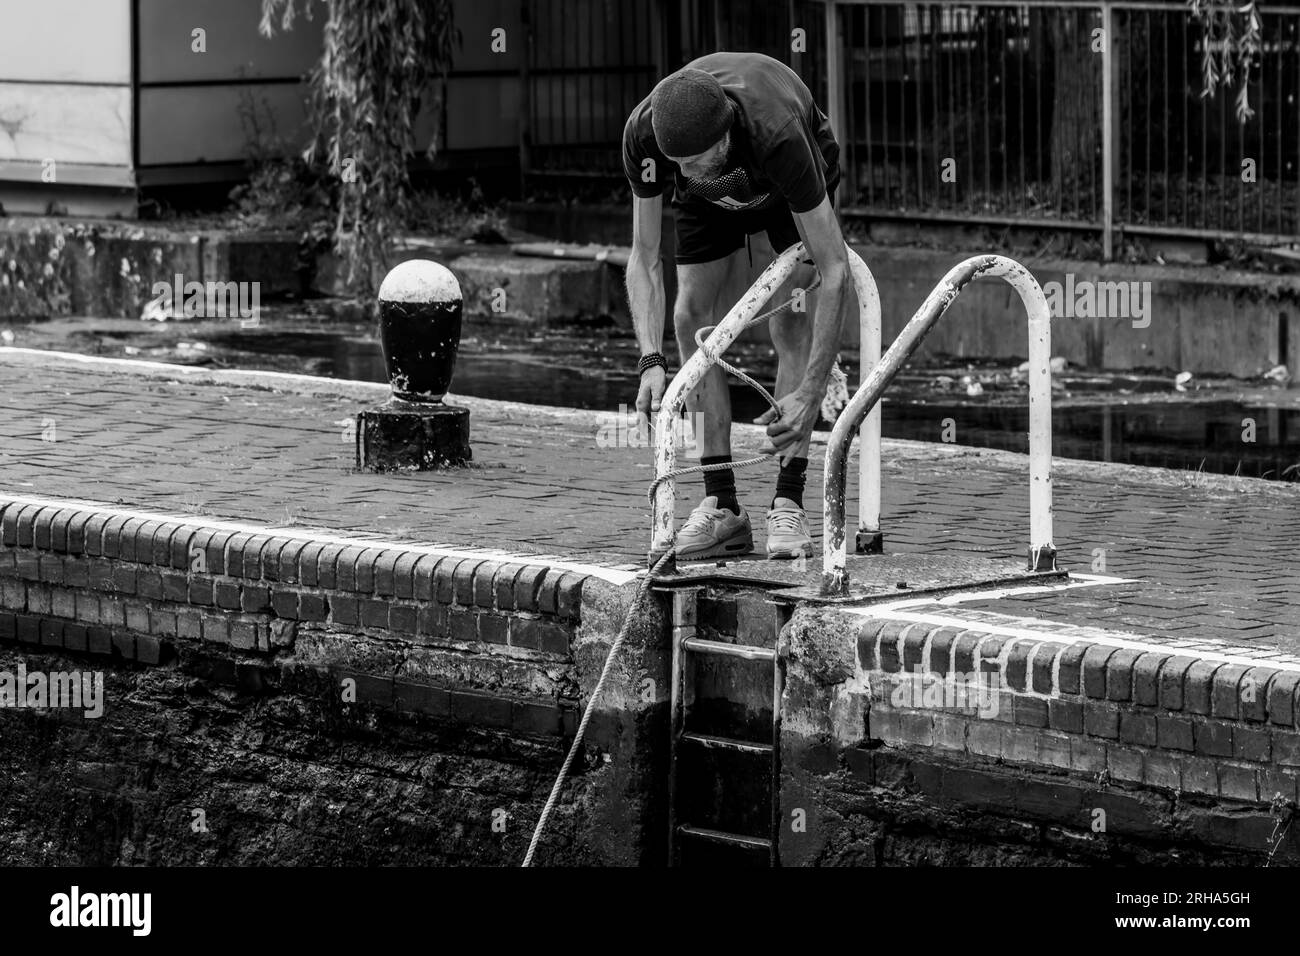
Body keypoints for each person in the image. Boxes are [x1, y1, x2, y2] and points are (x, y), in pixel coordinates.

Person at [622, 51, 848, 560]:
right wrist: (650, 362)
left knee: (790, 325)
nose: (679, 171)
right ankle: (723, 506)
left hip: (783, 185)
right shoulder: (647, 137)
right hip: (710, 197)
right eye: (674, 163)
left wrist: (813, 392)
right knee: (689, 320)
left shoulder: (779, 136)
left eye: (691, 162)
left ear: (723, 137)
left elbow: (835, 271)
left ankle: (789, 502)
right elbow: (643, 257)